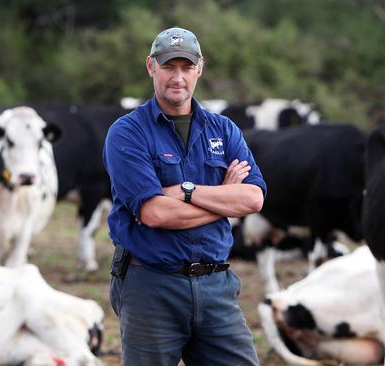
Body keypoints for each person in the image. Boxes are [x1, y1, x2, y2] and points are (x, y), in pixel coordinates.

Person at [103, 26, 267, 366]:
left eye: (186, 67)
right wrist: (224, 199)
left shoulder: (223, 129)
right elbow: (155, 214)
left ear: (200, 69)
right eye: (168, 66)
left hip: (216, 286)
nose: (178, 77)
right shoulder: (128, 132)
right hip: (152, 286)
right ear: (151, 67)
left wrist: (187, 192)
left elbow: (252, 199)